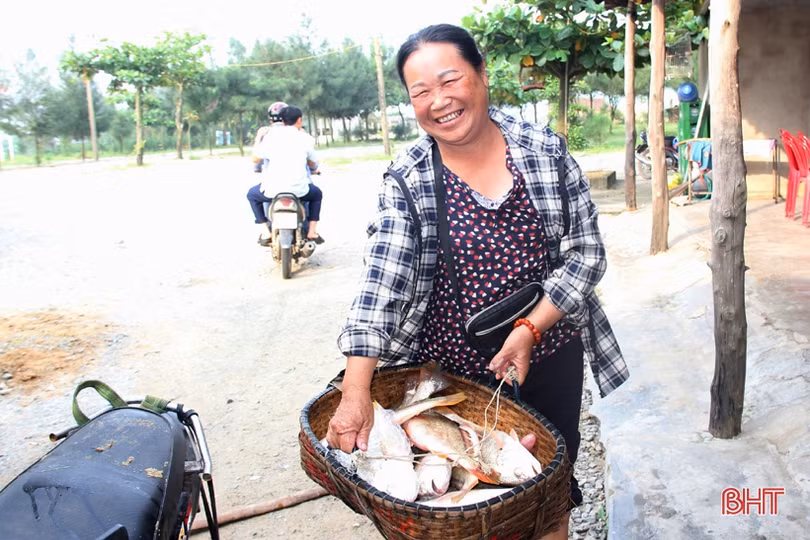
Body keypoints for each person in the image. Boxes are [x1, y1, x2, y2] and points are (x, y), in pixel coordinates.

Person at [325, 24, 628, 539]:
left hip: (548, 353)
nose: (438, 101)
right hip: (455, 380)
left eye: (450, 80)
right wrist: (355, 387)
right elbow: (382, 285)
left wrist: (530, 329)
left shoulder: (540, 151)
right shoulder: (411, 179)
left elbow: (586, 253)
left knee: (546, 490)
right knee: (466, 505)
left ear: (482, 75)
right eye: (420, 92)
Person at [246, 104, 324, 246]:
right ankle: (312, 231)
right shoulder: (304, 138)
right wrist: (313, 168)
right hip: (299, 190)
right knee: (317, 194)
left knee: (251, 195)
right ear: (299, 120)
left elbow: (255, 159)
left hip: (272, 191)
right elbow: (313, 163)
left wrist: (258, 138)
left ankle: (265, 231)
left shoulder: (269, 137)